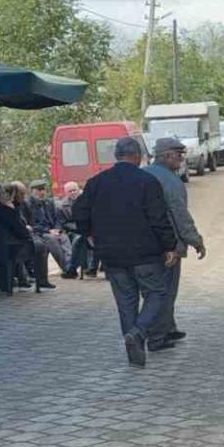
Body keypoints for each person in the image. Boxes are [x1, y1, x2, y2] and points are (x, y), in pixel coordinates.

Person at [73, 136, 177, 366]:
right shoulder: (147, 181)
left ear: (116, 156)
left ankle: (133, 349)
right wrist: (169, 246)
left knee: (126, 302)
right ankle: (138, 333)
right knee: (157, 293)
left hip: (111, 254)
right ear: (137, 156)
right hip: (145, 253)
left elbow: (79, 211)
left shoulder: (96, 182)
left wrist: (88, 232)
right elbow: (158, 218)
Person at [144, 138, 206, 349]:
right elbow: (180, 215)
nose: (181, 159)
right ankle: (158, 335)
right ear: (167, 156)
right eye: (178, 155)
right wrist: (196, 240)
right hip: (168, 246)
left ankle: (168, 327)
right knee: (165, 291)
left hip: (144, 245)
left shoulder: (143, 174)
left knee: (154, 290)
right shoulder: (171, 181)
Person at [25, 180, 72, 279]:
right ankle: (67, 269)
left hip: (52, 230)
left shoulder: (49, 202)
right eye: (39, 190)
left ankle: (70, 267)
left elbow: (58, 218)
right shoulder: (28, 204)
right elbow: (31, 224)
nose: (42, 192)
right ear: (32, 191)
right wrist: (48, 231)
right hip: (39, 233)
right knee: (52, 240)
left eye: (43, 189)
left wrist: (57, 229)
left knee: (64, 238)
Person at [60, 181, 94, 278]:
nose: (73, 193)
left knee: (85, 238)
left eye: (74, 190)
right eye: (70, 191)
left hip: (90, 229)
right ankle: (75, 269)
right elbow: (64, 223)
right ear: (66, 193)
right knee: (78, 239)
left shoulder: (88, 201)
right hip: (73, 231)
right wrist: (79, 227)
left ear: (79, 190)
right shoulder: (62, 206)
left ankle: (76, 269)